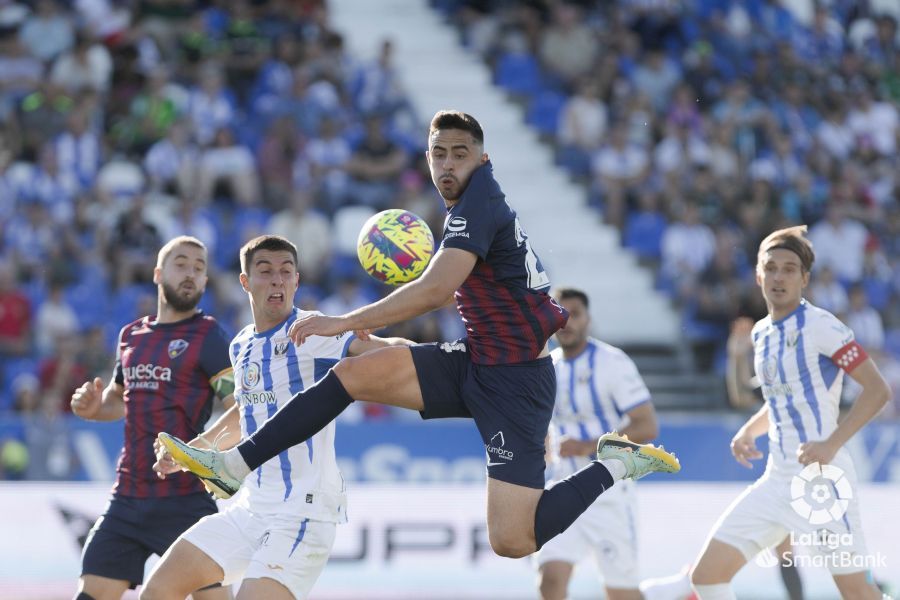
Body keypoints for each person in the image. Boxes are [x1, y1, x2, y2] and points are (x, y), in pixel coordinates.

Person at [160, 110, 679, 560]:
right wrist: (380, 342)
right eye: (438, 154)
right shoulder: (463, 208)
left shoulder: (481, 202)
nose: (448, 165)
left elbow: (435, 291)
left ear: (482, 158)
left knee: (513, 539)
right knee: (354, 372)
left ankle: (613, 463)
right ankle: (234, 464)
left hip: (517, 383)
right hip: (476, 357)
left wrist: (344, 321)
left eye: (459, 153)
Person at [141, 235, 413, 600]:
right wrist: (189, 453)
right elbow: (244, 413)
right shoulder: (240, 345)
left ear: (297, 281)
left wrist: (438, 357)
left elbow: (387, 352)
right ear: (244, 282)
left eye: (286, 272)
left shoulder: (314, 331)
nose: (277, 280)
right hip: (250, 508)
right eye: (265, 271)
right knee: (158, 590)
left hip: (303, 512)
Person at [689, 226, 891, 600]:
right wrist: (750, 430)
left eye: (790, 268)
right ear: (758, 275)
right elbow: (780, 402)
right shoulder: (762, 333)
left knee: (858, 593)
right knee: (706, 577)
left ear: (805, 279)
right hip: (775, 481)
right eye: (772, 267)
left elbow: (878, 390)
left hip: (822, 483)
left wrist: (831, 445)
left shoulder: (821, 326)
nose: (779, 276)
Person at [70, 236, 234, 600]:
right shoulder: (131, 336)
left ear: (206, 281)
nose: (190, 273)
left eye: (199, 267)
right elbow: (118, 399)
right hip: (128, 498)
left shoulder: (210, 336)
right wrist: (94, 407)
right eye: (181, 264)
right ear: (158, 273)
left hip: (186, 500)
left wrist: (200, 453)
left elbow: (241, 407)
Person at [537, 288, 660, 600]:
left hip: (609, 495)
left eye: (574, 314)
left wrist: (588, 445)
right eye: (560, 315)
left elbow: (647, 425)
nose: (566, 322)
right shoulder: (545, 367)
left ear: (588, 319)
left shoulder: (612, 362)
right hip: (561, 488)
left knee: (621, 593)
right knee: (550, 580)